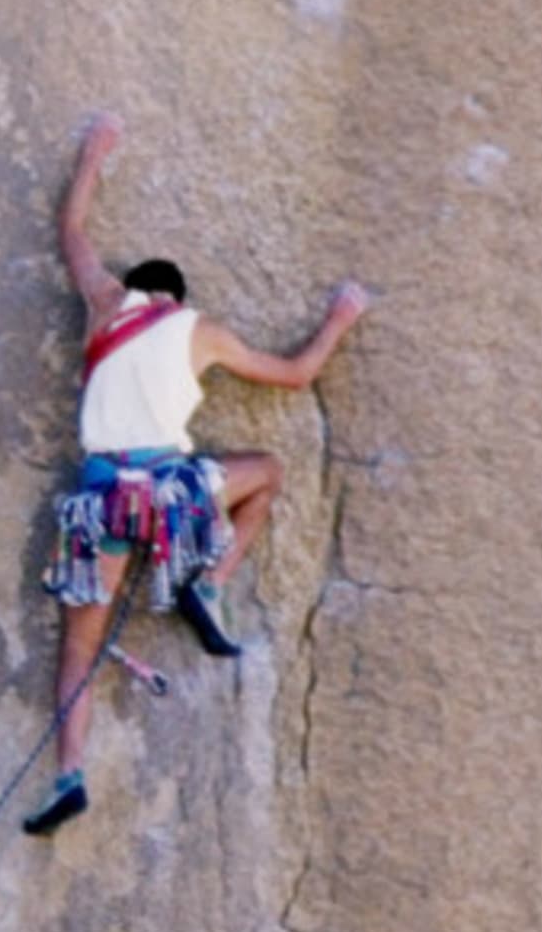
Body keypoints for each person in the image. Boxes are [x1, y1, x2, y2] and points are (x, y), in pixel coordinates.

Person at [22, 113, 370, 837]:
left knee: (77, 651)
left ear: (134, 291)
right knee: (266, 472)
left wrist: (94, 152)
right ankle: (207, 581)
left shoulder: (104, 306)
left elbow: (74, 232)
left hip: (99, 503)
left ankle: (69, 774)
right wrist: (340, 317)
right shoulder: (199, 331)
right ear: (175, 299)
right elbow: (296, 374)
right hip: (170, 496)